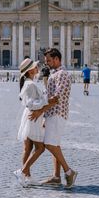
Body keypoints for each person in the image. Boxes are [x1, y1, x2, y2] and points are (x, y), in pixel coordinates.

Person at [29, 48, 78, 188]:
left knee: (50, 144)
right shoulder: (55, 74)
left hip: (57, 113)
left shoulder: (62, 74)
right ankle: (56, 176)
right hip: (52, 113)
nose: (47, 64)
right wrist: (45, 114)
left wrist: (40, 112)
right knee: (54, 144)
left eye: (49, 61)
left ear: (57, 59)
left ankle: (69, 172)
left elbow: (56, 98)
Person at [14, 57, 58, 187]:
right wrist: (48, 100)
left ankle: (26, 177)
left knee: (27, 149)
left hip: (28, 115)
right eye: (35, 66)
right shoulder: (30, 84)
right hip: (34, 116)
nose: (37, 67)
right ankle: (22, 172)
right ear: (30, 71)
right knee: (40, 147)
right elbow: (32, 104)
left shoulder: (28, 83)